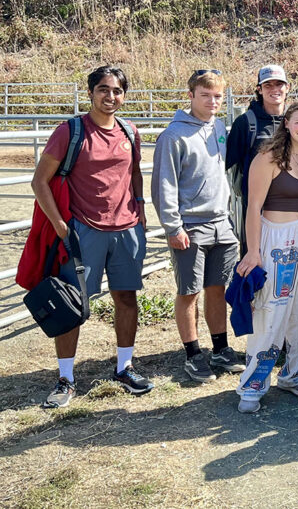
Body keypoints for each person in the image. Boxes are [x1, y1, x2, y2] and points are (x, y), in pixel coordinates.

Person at [32, 66, 151, 407]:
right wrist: (60, 225)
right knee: (72, 305)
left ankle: (124, 368)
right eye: (103, 89)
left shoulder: (130, 131)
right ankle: (66, 379)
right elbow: (40, 181)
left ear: (123, 95)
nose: (110, 96)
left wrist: (140, 207)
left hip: (127, 229)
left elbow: (134, 173)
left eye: (116, 91)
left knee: (127, 299)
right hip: (83, 230)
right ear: (90, 93)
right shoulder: (70, 131)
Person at [151, 70, 245, 383]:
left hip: (221, 222)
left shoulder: (218, 126)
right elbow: (164, 184)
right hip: (190, 225)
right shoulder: (173, 136)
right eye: (206, 95)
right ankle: (193, 353)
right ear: (191, 96)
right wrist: (172, 226)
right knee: (189, 291)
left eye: (218, 96)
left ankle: (220, 348)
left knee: (217, 289)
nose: (213, 101)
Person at [234, 101, 298, 413]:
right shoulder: (268, 157)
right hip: (275, 239)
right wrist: (253, 250)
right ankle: (253, 384)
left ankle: (295, 374)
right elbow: (253, 207)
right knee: (270, 313)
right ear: (286, 123)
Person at [225, 64, 289, 242]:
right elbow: (224, 163)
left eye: (279, 84)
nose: (274, 89)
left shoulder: (297, 121)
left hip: (292, 211)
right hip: (256, 211)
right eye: (268, 85)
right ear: (259, 89)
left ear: (287, 87)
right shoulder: (245, 123)